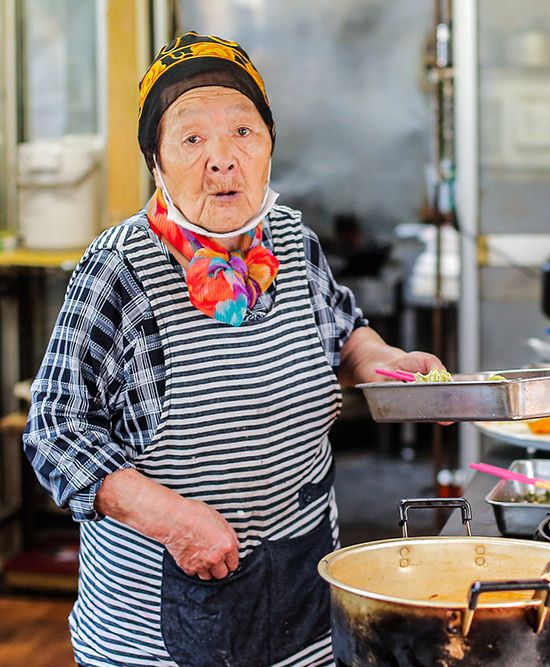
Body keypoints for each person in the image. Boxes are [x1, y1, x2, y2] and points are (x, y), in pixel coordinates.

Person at [23, 32, 445, 666]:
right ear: (157, 161)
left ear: (270, 146)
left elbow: (343, 330)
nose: (222, 159)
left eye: (243, 132)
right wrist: (170, 518)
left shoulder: (289, 238)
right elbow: (55, 431)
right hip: (159, 623)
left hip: (304, 594)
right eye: (191, 138)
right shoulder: (117, 269)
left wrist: (385, 363)